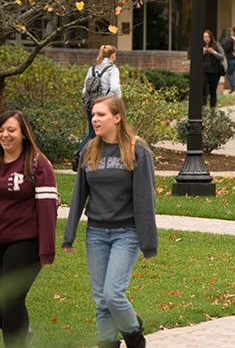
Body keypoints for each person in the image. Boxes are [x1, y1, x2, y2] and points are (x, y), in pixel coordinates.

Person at [62, 97, 157, 348]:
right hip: (96, 234)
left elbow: (146, 198)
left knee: (113, 294)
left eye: (101, 114)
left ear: (117, 117)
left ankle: (135, 337)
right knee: (101, 301)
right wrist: (69, 235)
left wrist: (148, 242)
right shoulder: (89, 150)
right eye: (93, 114)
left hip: (126, 233)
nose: (95, 119)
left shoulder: (138, 150)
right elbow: (79, 194)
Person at [0, 110, 58, 348]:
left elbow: (48, 209)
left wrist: (46, 250)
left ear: (24, 133)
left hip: (26, 241)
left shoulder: (37, 163)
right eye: (1, 130)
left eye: (11, 130)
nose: (5, 135)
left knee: (11, 300)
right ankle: (24, 335)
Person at [81, 45, 122, 139]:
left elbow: (84, 89)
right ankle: (80, 153)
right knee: (101, 135)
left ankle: (88, 153)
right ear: (112, 56)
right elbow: (115, 88)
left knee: (92, 133)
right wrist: (119, 100)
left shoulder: (91, 69)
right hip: (105, 105)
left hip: (91, 104)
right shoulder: (112, 70)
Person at [202, 29, 226, 108]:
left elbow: (222, 57)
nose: (206, 39)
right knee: (203, 88)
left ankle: (212, 108)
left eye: (208, 37)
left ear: (211, 37)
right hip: (204, 71)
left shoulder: (216, 45)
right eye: (205, 37)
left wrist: (214, 52)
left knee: (213, 90)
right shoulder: (200, 46)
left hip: (215, 71)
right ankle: (203, 107)